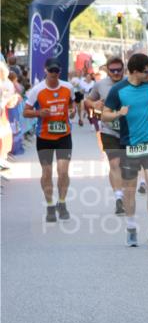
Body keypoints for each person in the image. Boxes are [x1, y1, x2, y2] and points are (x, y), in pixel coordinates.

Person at [102, 53, 148, 248]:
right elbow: (104, 115)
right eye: (147, 71)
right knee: (129, 189)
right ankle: (131, 227)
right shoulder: (118, 90)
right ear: (135, 71)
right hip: (129, 143)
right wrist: (117, 113)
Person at [23, 58, 76, 222]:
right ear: (45, 70)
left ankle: (62, 202)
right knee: (47, 172)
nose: (54, 73)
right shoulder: (37, 90)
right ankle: (50, 205)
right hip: (44, 137)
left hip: (64, 136)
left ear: (60, 71)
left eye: (56, 71)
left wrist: (72, 111)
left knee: (63, 171)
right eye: (51, 70)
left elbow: (72, 105)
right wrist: (38, 113)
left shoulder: (68, 87)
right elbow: (25, 112)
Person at [86, 56, 127, 216]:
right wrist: (94, 104)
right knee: (114, 164)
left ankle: (123, 191)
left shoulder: (131, 82)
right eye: (112, 70)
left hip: (129, 131)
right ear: (107, 70)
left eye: (119, 70)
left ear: (123, 69)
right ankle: (118, 198)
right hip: (109, 130)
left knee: (126, 167)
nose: (116, 73)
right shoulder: (100, 84)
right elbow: (88, 101)